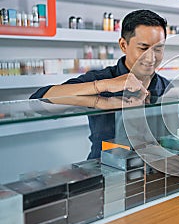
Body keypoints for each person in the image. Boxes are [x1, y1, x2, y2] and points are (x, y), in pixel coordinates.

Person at [30, 9, 171, 159]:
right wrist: (104, 86)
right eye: (143, 48)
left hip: (153, 172)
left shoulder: (166, 86)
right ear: (123, 45)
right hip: (104, 169)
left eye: (158, 49)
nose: (151, 58)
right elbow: (38, 102)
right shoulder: (102, 79)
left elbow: (174, 136)